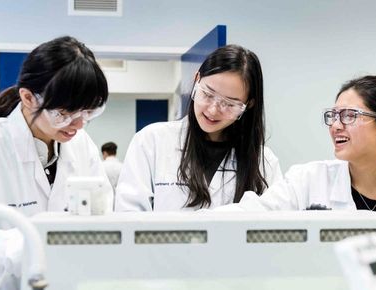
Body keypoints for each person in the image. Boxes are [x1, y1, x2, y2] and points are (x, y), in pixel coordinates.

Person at [0, 36, 113, 289]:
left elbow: (102, 220)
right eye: (64, 113)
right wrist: (44, 240)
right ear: (28, 98)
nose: (79, 124)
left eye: (89, 112)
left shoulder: (82, 145)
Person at [236, 75, 376, 235]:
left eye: (349, 116)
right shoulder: (307, 180)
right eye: (334, 116)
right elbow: (249, 214)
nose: (336, 126)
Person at [115, 44, 282, 211]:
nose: (213, 110)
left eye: (229, 104)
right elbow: (128, 218)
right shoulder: (151, 142)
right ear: (197, 80)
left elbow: (273, 228)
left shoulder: (264, 162)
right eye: (208, 94)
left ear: (248, 105)